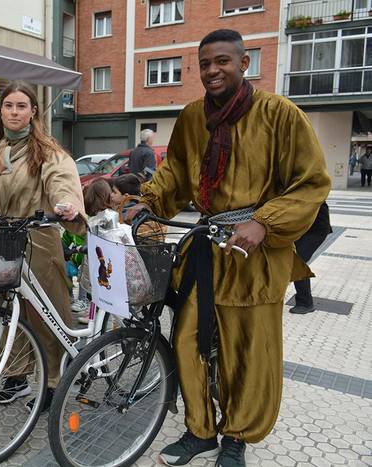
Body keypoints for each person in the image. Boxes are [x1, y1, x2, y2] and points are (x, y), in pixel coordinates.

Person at [126, 30, 331, 466]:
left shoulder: (280, 114)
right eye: (204, 64)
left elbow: (312, 182)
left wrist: (264, 222)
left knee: (247, 351)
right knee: (186, 339)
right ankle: (200, 431)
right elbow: (176, 172)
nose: (212, 70)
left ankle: (236, 438)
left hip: (256, 254)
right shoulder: (192, 116)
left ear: (243, 63)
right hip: (206, 249)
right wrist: (146, 202)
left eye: (222, 61)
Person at [0, 80, 85, 412]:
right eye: (8, 105)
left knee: (46, 313)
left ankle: (54, 381)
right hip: (4, 239)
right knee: (8, 309)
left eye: (21, 106)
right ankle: (16, 375)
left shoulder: (48, 150)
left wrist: (66, 205)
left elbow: (61, 181)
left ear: (33, 111)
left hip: (39, 239)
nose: (14, 112)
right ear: (1, 110)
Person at [290, 203, 332, 314]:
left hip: (315, 230)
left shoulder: (310, 188)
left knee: (298, 262)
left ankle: (305, 303)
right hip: (302, 229)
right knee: (291, 260)